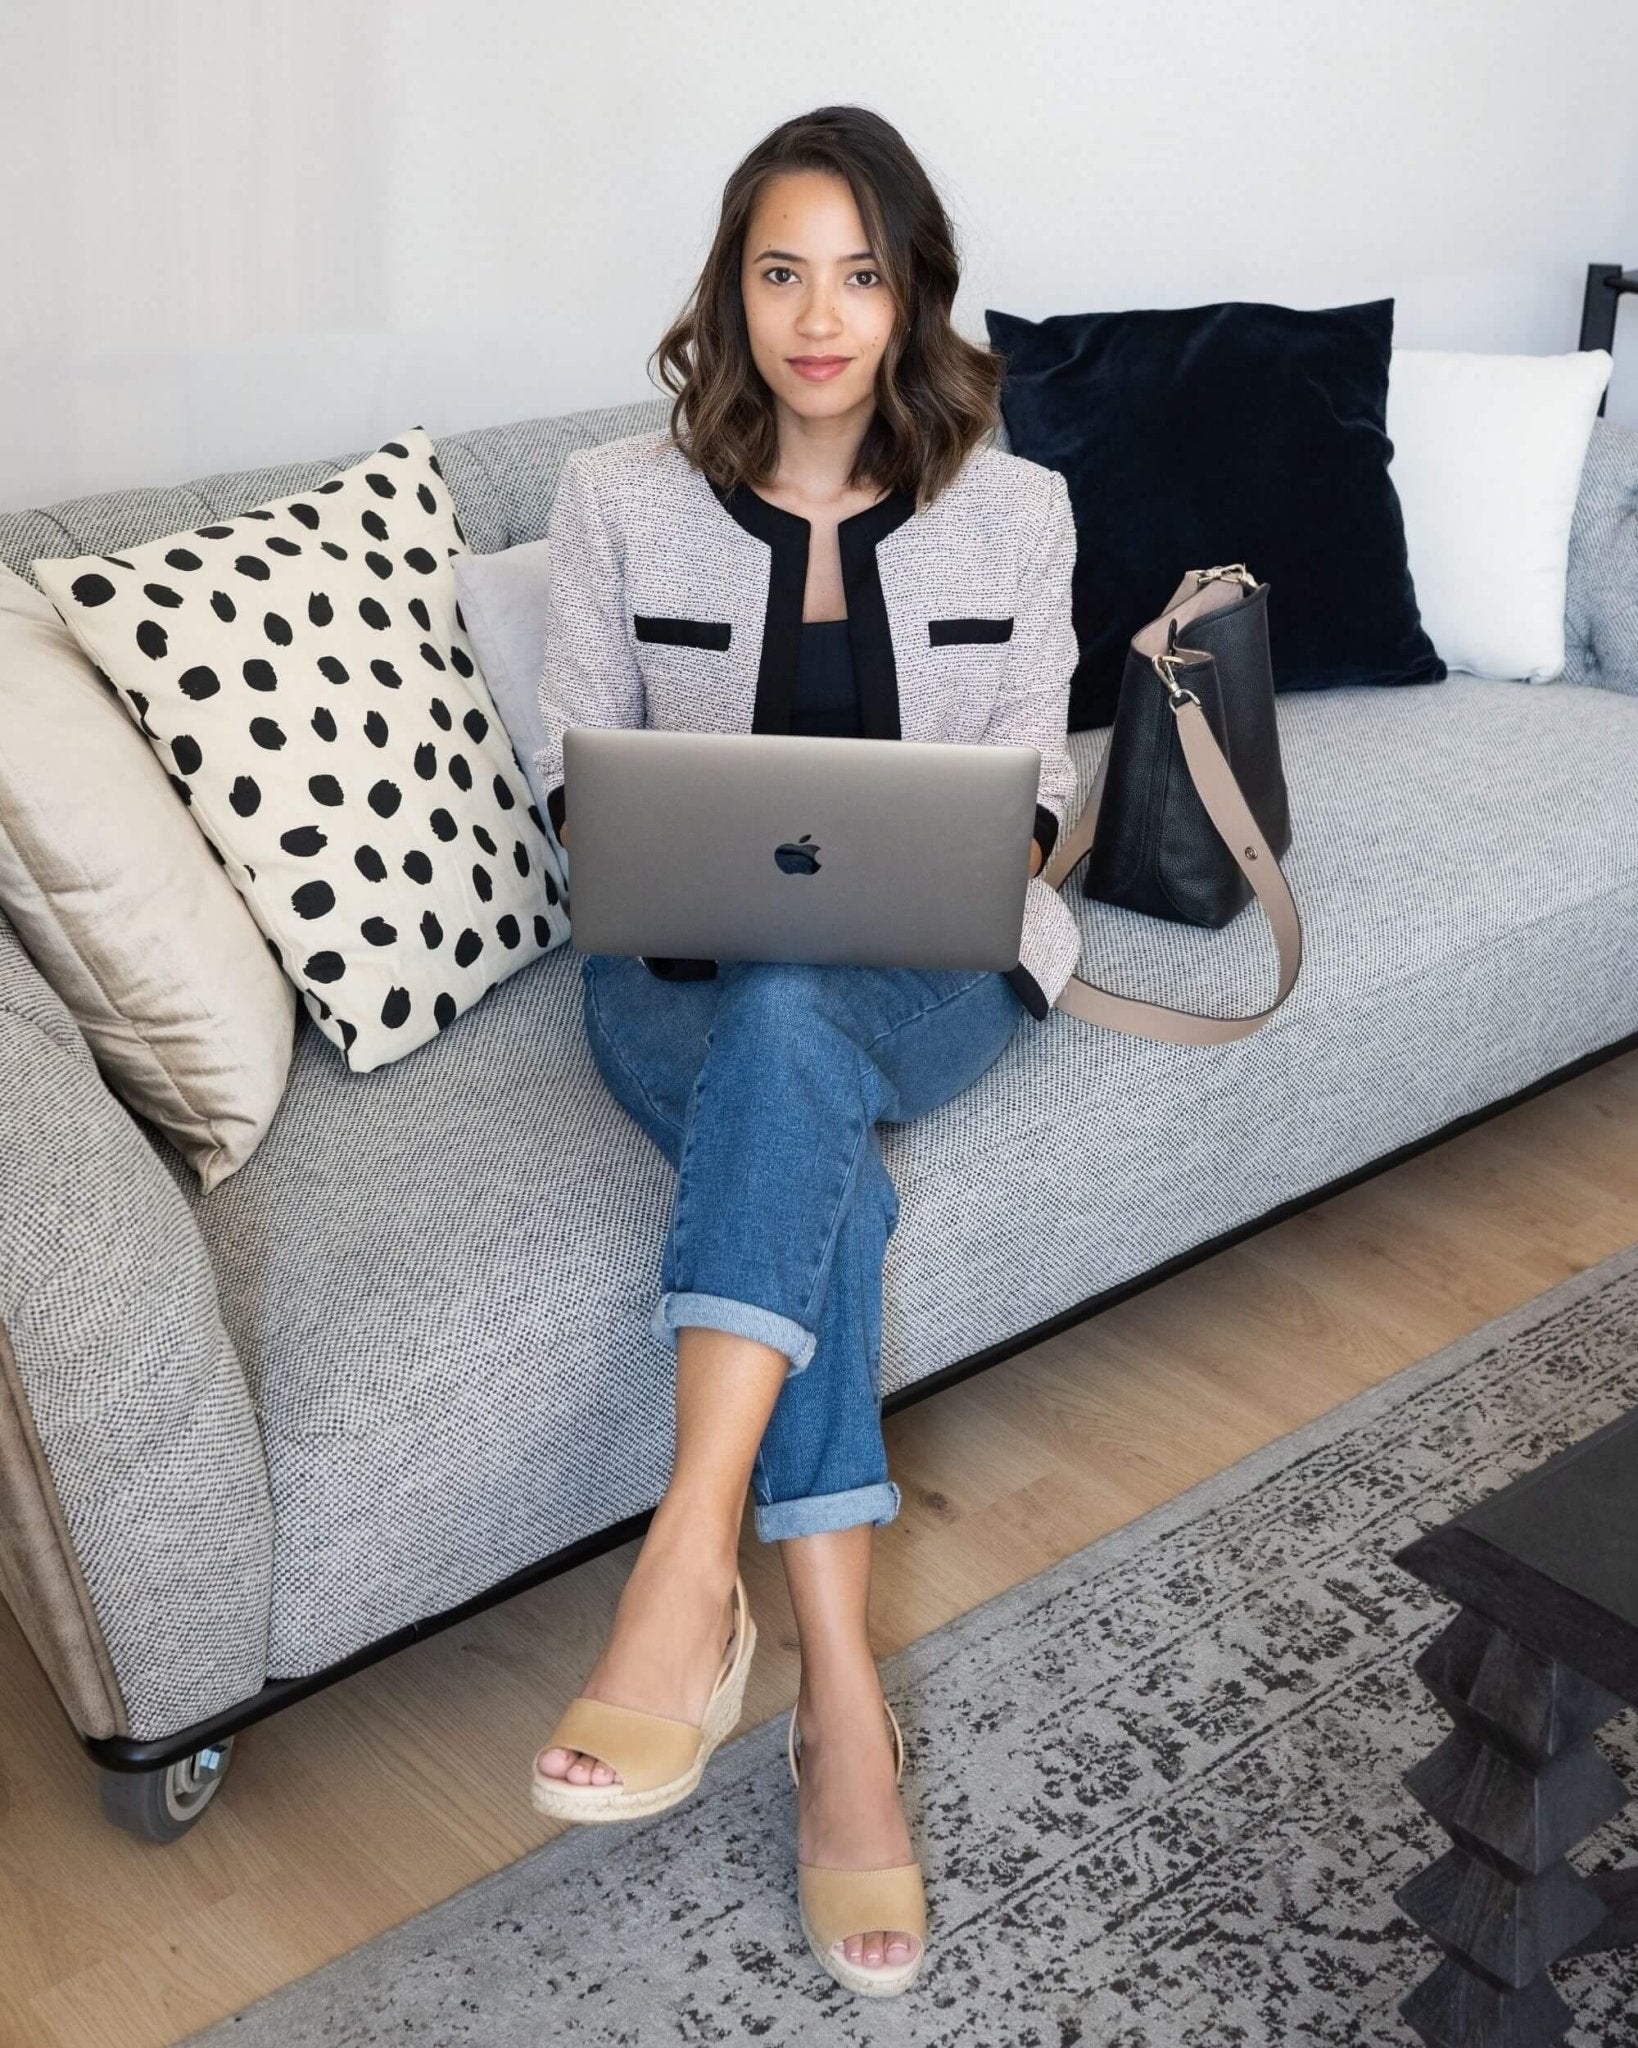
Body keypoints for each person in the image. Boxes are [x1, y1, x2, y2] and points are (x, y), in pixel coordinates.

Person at [528, 103, 1081, 1999]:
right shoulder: (616, 498)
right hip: (678, 982)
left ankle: (689, 1576)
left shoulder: (1018, 504)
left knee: (809, 1027)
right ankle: (840, 1703)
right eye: (781, 270)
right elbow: (572, 773)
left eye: (859, 271)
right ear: (731, 293)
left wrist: (1000, 837)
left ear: (912, 288)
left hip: (929, 974)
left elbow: (1040, 766)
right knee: (779, 1042)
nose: (820, 314)